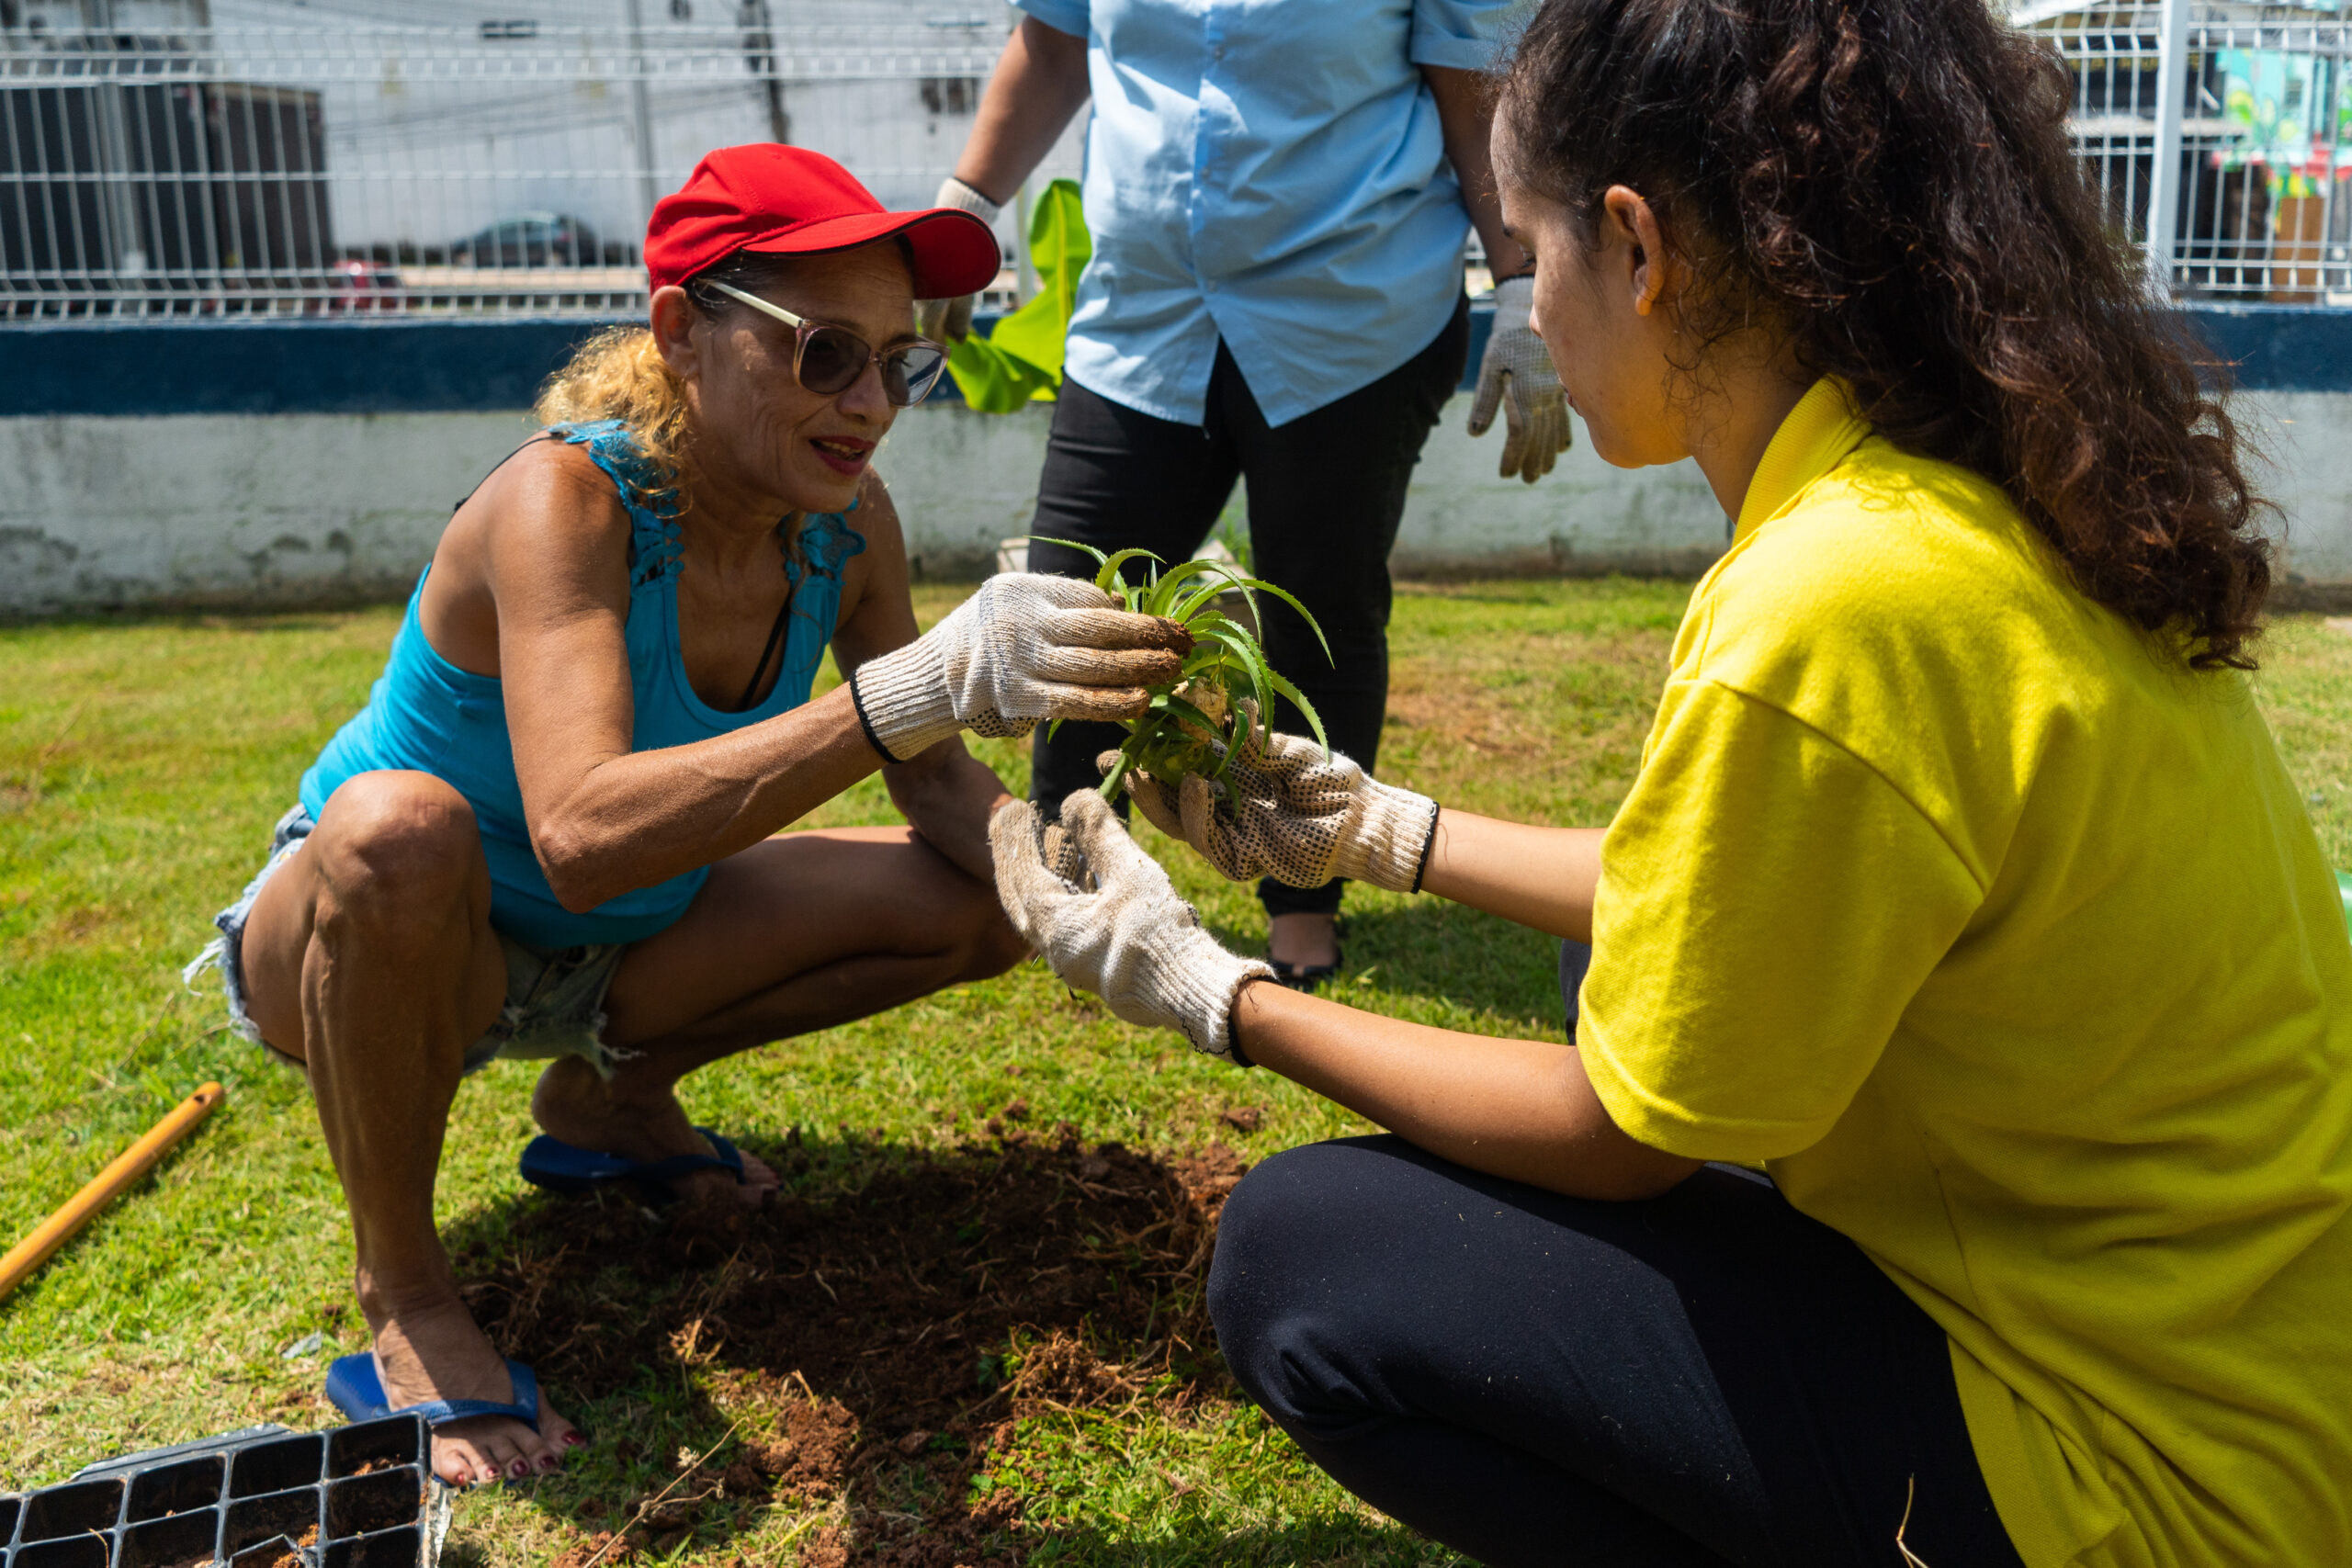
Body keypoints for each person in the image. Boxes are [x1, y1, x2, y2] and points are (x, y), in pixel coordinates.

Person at [987, 0, 2352, 1559]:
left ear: (1638, 247)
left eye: (1527, 242)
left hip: (2129, 1474)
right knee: (1609, 959)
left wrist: (1213, 989)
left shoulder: (1836, 603)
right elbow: (1723, 884)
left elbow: (1612, 1136)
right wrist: (1386, 834)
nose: (1533, 297)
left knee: (1305, 1259)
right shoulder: (1950, 500)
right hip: (2241, 1378)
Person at [188, 145, 1187, 1489]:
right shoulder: (569, 500)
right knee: (395, 828)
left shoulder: (845, 523)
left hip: (624, 945)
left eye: (901, 360)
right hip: (392, 935)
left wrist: (1060, 871)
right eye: (827, 352)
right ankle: (408, 1289)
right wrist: (910, 685)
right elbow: (583, 835)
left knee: (967, 902)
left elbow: (934, 778)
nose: (873, 402)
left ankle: (610, 1098)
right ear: (680, 334)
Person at [919, 0, 1570, 988]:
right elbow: (1053, 52)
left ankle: (1302, 899)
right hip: (1142, 314)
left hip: (1351, 312)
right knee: (1077, 606)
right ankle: (1075, 882)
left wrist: (1523, 281)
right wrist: (967, 198)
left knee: (1318, 610)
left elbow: (1470, 96)